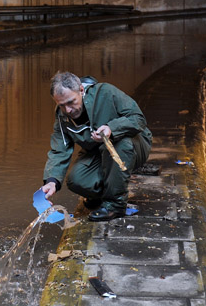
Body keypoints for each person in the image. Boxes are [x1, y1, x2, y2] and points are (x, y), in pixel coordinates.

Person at [41, 71, 152, 221]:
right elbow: (60, 149)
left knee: (120, 144)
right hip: (98, 151)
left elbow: (138, 119)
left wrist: (112, 129)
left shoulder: (106, 92)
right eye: (62, 105)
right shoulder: (62, 116)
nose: (68, 110)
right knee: (76, 181)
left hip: (133, 145)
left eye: (71, 102)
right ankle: (101, 195)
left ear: (81, 90)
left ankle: (115, 206)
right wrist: (51, 181)